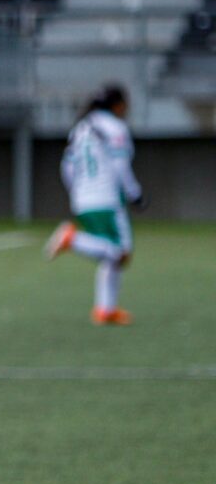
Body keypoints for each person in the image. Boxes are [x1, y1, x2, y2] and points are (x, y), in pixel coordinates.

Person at [46, 84, 145, 326]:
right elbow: (120, 167)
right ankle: (73, 239)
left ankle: (105, 309)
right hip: (108, 199)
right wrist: (135, 194)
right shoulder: (115, 128)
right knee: (120, 252)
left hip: (82, 198)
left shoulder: (81, 128)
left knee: (110, 254)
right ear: (118, 105)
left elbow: (67, 167)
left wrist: (77, 191)